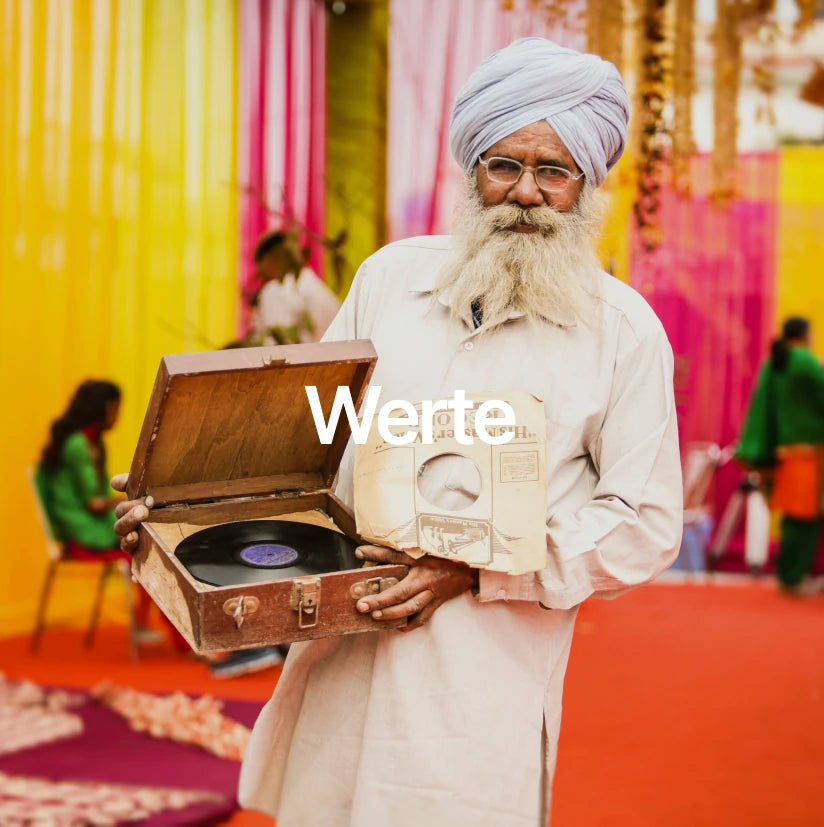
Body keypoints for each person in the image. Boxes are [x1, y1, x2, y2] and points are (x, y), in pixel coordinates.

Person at [114, 38, 683, 826]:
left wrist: (480, 570)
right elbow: (314, 446)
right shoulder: (390, 278)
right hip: (341, 649)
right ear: (472, 172)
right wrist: (182, 499)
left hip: (480, 676)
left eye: (551, 171)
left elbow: (644, 521)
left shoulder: (623, 331)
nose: (523, 192)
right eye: (502, 165)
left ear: (586, 182)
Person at [36, 380, 160, 642]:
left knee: (147, 543)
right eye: (114, 408)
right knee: (146, 549)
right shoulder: (79, 445)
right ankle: (158, 631)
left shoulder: (90, 441)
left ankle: (149, 626)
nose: (117, 416)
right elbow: (93, 503)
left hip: (93, 525)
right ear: (101, 409)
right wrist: (129, 500)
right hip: (82, 533)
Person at [736, 316, 824, 592]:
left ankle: (789, 575)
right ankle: (792, 578)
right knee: (805, 518)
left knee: (793, 517)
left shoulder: (775, 363)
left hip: (783, 454)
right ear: (805, 334)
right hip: (808, 454)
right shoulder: (805, 362)